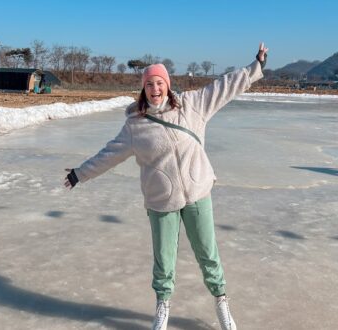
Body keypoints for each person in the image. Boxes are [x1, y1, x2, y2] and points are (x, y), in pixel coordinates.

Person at [64, 43, 269, 330]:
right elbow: (108, 155)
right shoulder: (135, 125)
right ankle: (163, 306)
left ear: (167, 85)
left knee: (208, 255)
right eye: (150, 84)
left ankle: (221, 302)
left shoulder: (192, 106)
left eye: (160, 83)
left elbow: (224, 87)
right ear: (144, 89)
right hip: (161, 202)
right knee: (164, 262)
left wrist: (255, 66)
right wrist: (79, 174)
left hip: (197, 194)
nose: (155, 88)